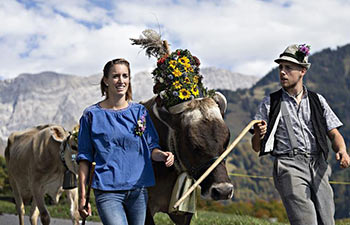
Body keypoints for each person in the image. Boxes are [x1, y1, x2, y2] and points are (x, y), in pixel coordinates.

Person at [251, 44, 350, 225]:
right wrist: (258, 133)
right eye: (280, 67)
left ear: (302, 71)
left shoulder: (317, 100)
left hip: (319, 164)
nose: (282, 72)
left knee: (327, 221)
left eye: (288, 67)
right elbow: (256, 146)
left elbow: (334, 133)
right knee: (306, 221)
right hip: (288, 165)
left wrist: (342, 150)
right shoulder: (270, 103)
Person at [76, 58, 174, 225]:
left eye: (125, 76)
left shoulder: (139, 112)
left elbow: (151, 148)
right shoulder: (91, 115)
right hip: (107, 192)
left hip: (138, 191)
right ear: (106, 80)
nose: (121, 81)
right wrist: (82, 197)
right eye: (115, 76)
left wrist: (163, 155)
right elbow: (84, 158)